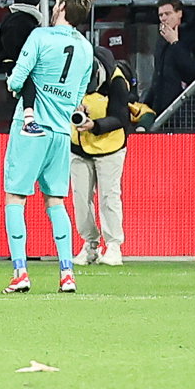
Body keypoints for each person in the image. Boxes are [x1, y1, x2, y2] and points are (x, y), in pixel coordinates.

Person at [0, 0, 93, 291]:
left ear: (61, 6)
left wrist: (13, 83)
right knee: (55, 201)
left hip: (31, 126)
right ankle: (67, 274)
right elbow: (78, 96)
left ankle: (20, 272)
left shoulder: (40, 36)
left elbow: (17, 79)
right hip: (62, 132)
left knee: (16, 196)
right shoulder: (86, 48)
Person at [69, 25, 144, 267]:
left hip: (110, 146)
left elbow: (121, 118)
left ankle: (113, 246)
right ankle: (90, 244)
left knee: (109, 196)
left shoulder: (117, 80)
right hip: (78, 146)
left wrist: (95, 125)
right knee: (80, 198)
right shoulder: (69, 74)